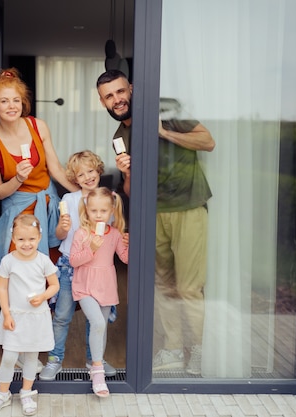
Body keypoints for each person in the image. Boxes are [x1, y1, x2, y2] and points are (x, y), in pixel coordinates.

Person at [96, 69, 215, 376]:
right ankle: (174, 350)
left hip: (188, 207)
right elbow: (129, 192)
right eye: (109, 96)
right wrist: (128, 172)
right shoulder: (119, 138)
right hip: (152, 214)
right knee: (162, 286)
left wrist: (164, 133)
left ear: (131, 89)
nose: (117, 100)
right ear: (103, 103)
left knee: (189, 287)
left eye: (120, 92)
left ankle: (198, 353)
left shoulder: (166, 109)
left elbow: (208, 141)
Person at [0, 67, 78, 372]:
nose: (12, 106)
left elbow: (57, 171)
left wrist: (83, 195)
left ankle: (38, 348)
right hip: (19, 218)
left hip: (47, 210)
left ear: (24, 103)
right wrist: (17, 179)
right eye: (4, 101)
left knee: (47, 278)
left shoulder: (38, 126)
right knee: (20, 284)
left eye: (17, 100)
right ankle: (20, 353)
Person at [39, 151, 118, 381]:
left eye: (91, 171)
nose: (87, 177)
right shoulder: (69, 201)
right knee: (62, 315)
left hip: (94, 267)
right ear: (74, 178)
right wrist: (63, 227)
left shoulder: (107, 200)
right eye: (81, 174)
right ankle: (55, 359)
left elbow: (111, 234)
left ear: (99, 170)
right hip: (68, 266)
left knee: (95, 319)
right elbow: (59, 235)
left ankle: (94, 360)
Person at [0, 214, 60, 416]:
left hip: (36, 317)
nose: (26, 244)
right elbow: (2, 289)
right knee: (9, 357)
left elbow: (55, 285)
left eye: (31, 239)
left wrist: (43, 296)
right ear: (12, 239)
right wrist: (6, 314)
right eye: (21, 239)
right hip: (15, 316)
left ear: (39, 238)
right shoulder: (8, 261)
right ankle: (3, 393)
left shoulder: (43, 261)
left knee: (31, 358)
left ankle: (26, 392)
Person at [70, 187, 129, 397]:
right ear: (87, 210)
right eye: (93, 210)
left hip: (106, 285)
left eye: (103, 211)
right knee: (97, 323)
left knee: (101, 329)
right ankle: (97, 373)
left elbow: (125, 258)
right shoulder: (82, 233)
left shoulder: (114, 234)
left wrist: (129, 245)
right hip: (84, 285)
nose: (98, 215)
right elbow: (74, 260)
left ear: (112, 210)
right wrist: (91, 249)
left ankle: (96, 362)